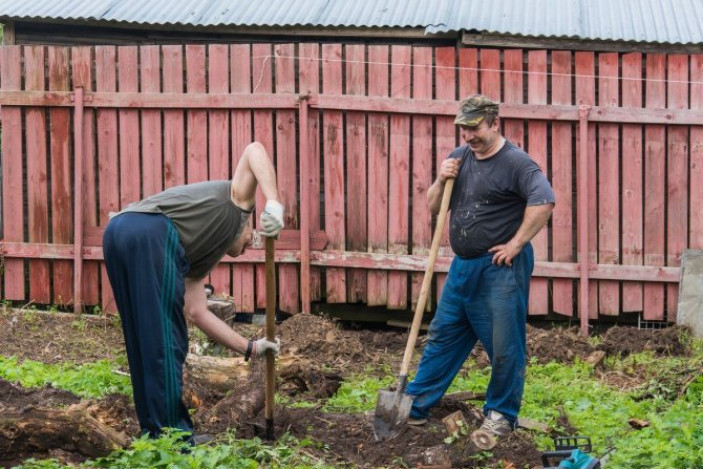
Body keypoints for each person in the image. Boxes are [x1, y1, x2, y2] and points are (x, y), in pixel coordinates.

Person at [103, 141, 284, 442]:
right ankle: (176, 439)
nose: (253, 241)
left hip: (118, 233)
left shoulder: (199, 254)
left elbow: (198, 312)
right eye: (252, 235)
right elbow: (254, 150)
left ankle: (154, 434)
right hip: (149, 234)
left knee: (144, 342)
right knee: (166, 342)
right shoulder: (236, 208)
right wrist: (274, 202)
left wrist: (251, 348)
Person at [405, 95, 555, 438]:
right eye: (463, 129)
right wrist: (442, 180)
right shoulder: (458, 159)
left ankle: (501, 415)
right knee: (443, 336)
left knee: (504, 345)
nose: (469, 136)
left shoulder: (517, 163)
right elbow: (433, 207)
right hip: (463, 268)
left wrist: (516, 243)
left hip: (500, 268)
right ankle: (414, 405)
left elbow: (544, 202)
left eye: (474, 128)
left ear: (494, 123)